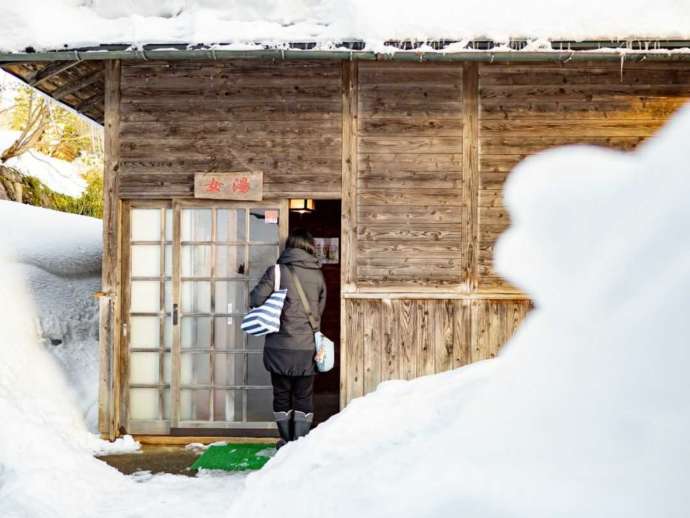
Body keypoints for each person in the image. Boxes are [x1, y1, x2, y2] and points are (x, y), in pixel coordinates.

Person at [250, 228, 326, 448]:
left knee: (281, 394)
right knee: (304, 395)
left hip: (279, 347)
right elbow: (319, 311)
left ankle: (286, 440)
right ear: (310, 247)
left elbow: (255, 299)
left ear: (289, 247)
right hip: (306, 348)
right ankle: (299, 444)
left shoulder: (277, 272)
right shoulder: (318, 274)